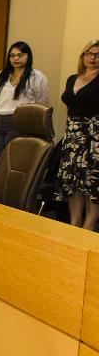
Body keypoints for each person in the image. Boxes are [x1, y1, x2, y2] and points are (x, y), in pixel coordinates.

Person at [0, 42, 49, 181]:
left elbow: (42, 104)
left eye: (20, 55)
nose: (16, 58)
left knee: (13, 162)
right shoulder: (2, 75)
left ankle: (9, 192)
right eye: (12, 55)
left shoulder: (37, 76)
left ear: (28, 56)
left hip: (19, 122)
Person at [54, 39, 99, 230]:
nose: (92, 58)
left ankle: (89, 227)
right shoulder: (72, 78)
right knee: (73, 180)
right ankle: (74, 225)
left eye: (97, 55)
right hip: (73, 135)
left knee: (92, 182)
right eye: (89, 53)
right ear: (83, 56)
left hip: (94, 136)